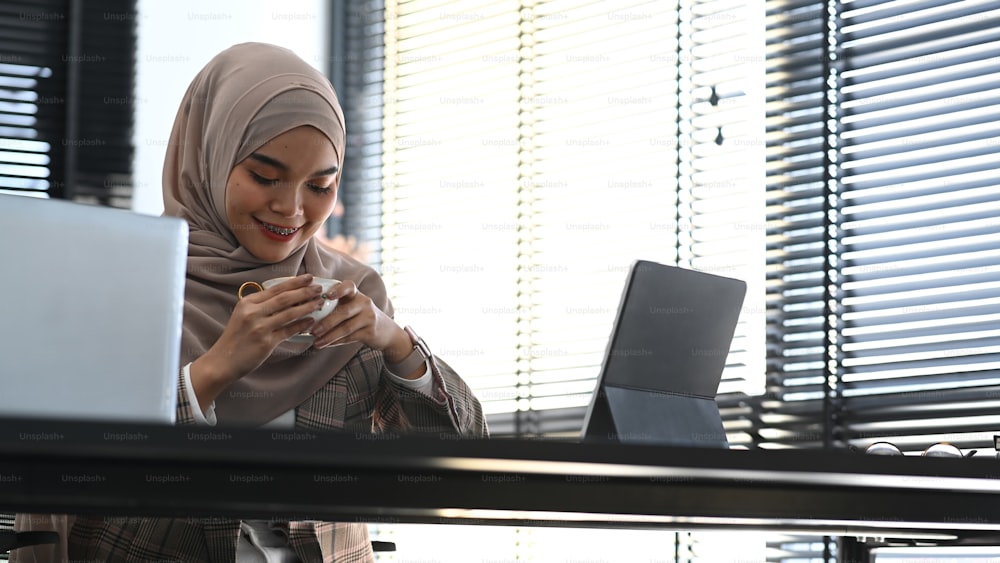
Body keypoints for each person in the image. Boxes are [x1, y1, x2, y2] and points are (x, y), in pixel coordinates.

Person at [12, 42, 486, 563]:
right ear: (209, 155)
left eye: (320, 185)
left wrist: (396, 343)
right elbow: (63, 474)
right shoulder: (117, 284)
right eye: (265, 176)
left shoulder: (352, 294)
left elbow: (459, 470)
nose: (291, 208)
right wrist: (214, 370)